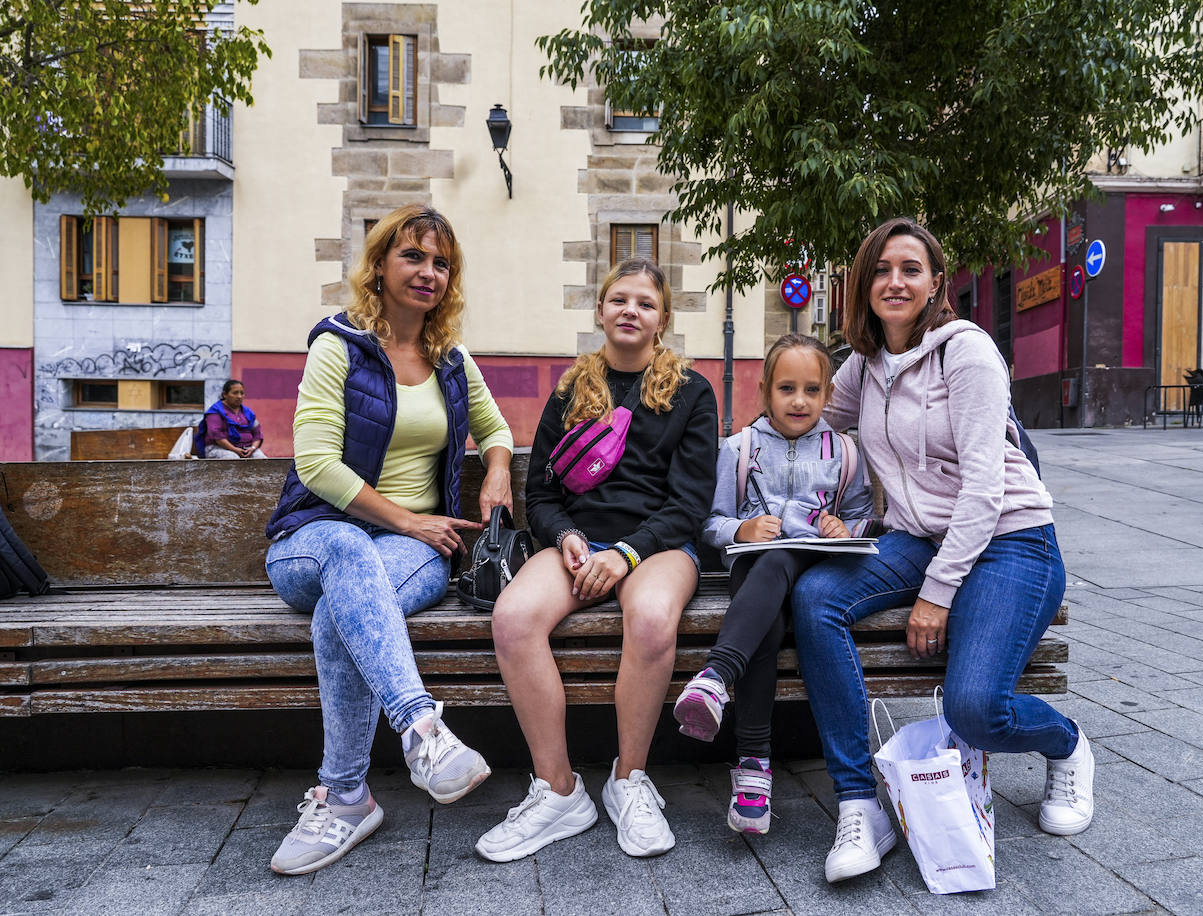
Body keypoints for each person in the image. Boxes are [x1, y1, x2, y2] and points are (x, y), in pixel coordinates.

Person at [790, 218, 1088, 884]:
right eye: (880, 270)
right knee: (815, 598)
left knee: (974, 710)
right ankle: (860, 802)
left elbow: (985, 488)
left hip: (1011, 542)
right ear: (862, 284)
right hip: (917, 538)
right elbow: (804, 422)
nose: (894, 282)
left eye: (910, 269)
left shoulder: (968, 352)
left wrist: (937, 592)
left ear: (934, 283)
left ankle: (1067, 744)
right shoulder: (863, 366)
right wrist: (728, 457)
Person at [262, 204, 515, 875]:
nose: (428, 272)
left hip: (412, 554)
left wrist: (495, 472)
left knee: (340, 610)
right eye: (413, 256)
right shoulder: (338, 346)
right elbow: (316, 465)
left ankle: (346, 797)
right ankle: (422, 728)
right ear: (379, 265)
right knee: (348, 556)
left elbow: (496, 430)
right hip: (313, 538)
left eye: (441, 263)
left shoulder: (451, 360)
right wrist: (408, 520)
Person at [476, 258, 718, 863]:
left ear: (662, 318)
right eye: (619, 300)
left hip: (659, 545)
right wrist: (564, 537)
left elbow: (689, 504)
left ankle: (629, 779)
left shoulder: (692, 393)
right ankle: (558, 790)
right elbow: (541, 495)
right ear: (602, 310)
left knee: (653, 618)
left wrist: (629, 553)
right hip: (579, 544)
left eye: (645, 303)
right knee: (513, 618)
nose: (631, 310)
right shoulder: (570, 390)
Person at [674, 333, 873, 836]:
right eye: (786, 388)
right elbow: (710, 522)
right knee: (764, 604)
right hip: (752, 566)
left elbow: (862, 514)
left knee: (780, 565)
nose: (799, 401)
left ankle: (724, 697)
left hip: (816, 567)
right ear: (764, 390)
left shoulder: (845, 452)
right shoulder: (739, 449)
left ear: (828, 394)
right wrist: (741, 529)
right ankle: (751, 758)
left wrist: (844, 528)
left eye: (812, 389)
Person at [200, 379, 266, 458]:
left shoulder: (248, 413)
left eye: (242, 393)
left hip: (246, 448)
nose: (239, 396)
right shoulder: (215, 412)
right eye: (235, 393)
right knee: (232, 458)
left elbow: (257, 434)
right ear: (224, 394)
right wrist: (234, 449)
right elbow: (217, 436)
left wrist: (253, 448)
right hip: (218, 448)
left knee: (261, 458)